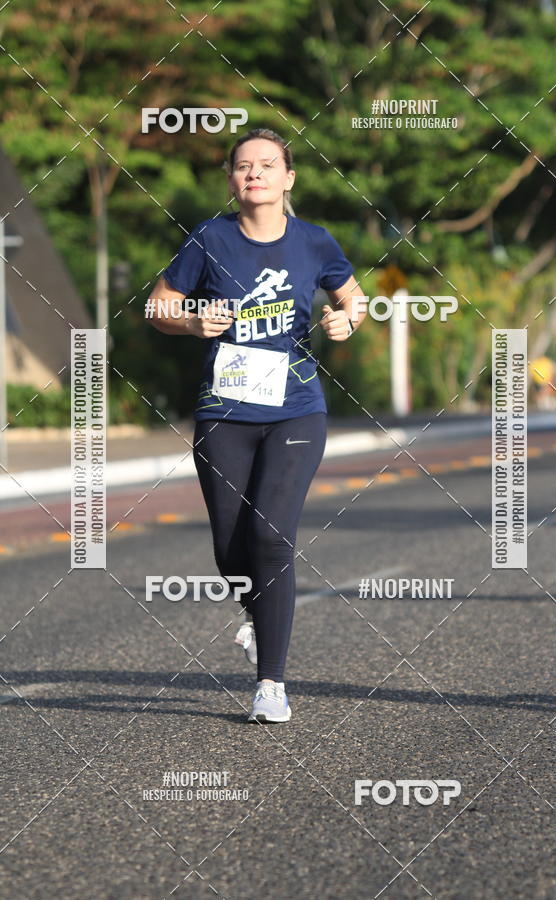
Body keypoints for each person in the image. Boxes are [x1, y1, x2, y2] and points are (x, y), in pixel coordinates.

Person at [148, 127, 366, 723]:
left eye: (268, 165)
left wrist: (348, 320)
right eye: (243, 166)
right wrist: (191, 322)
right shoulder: (210, 239)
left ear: (288, 178)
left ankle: (271, 683)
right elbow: (158, 305)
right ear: (231, 180)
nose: (255, 174)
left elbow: (355, 299)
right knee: (230, 545)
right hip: (225, 411)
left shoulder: (314, 241)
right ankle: (256, 612)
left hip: (296, 409)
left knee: (271, 537)